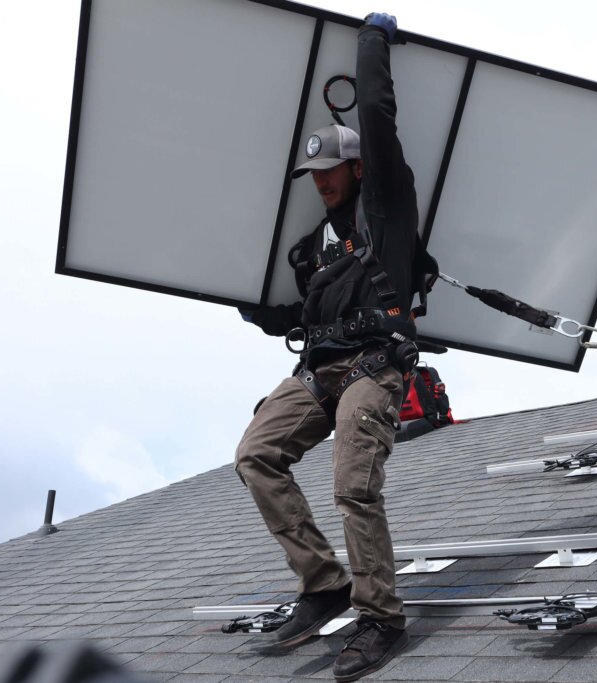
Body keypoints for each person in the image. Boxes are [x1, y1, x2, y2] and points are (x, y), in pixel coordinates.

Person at [235, 12, 418, 682]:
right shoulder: (311, 247)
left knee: (351, 482)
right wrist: (265, 315)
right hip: (319, 368)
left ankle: (380, 616)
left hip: (376, 365)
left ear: (358, 165)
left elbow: (373, 110)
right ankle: (323, 583)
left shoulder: (387, 207)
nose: (321, 181)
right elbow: (310, 316)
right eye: (313, 173)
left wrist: (371, 42)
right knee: (255, 455)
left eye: (331, 169)